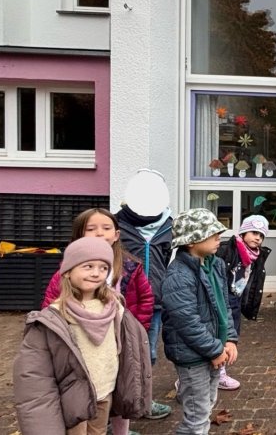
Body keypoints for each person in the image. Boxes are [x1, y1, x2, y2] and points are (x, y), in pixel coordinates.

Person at [14, 237, 151, 434]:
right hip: (72, 397)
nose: (96, 273)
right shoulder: (54, 317)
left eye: (103, 268)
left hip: (105, 392)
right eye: (88, 266)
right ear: (68, 271)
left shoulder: (115, 308)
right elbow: (33, 376)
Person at [160, 208, 239, 434]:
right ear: (192, 241)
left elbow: (224, 306)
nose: (219, 238)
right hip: (193, 356)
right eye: (211, 234)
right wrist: (214, 349)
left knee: (206, 405)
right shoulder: (179, 276)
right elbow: (187, 322)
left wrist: (230, 339)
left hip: (214, 350)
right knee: (196, 417)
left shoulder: (215, 265)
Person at [115, 170, 174, 420]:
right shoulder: (115, 223)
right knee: (119, 353)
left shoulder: (169, 225)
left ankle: (143, 401)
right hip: (123, 302)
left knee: (147, 353)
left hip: (154, 303)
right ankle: (117, 406)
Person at [216, 215, 272, 390]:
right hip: (220, 299)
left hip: (236, 301)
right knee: (217, 335)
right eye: (254, 233)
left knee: (231, 337)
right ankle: (197, 377)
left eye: (261, 235)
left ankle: (220, 373)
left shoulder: (257, 256)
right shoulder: (227, 250)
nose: (258, 238)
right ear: (243, 231)